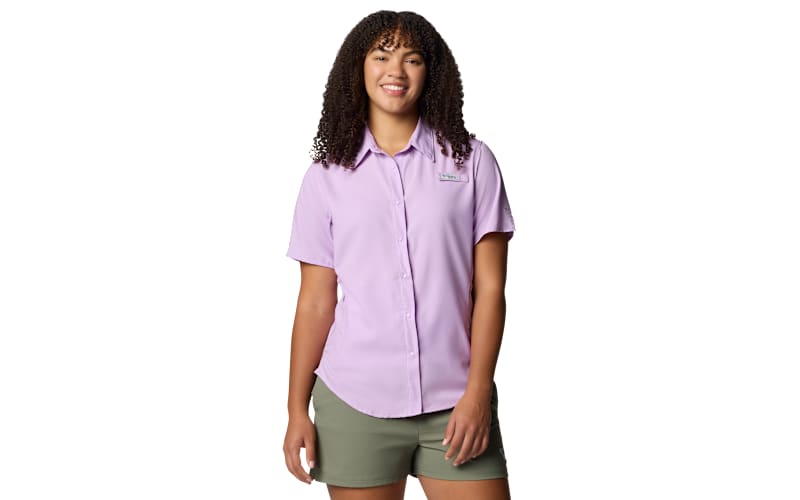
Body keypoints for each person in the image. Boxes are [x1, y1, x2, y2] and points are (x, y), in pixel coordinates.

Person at [283, 10, 516, 500]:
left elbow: (490, 289)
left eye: (412, 59)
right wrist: (295, 410)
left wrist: (478, 392)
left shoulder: (471, 162)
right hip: (355, 402)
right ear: (358, 67)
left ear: (431, 72)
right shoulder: (325, 177)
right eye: (382, 56)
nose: (396, 70)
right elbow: (316, 303)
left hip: (457, 402)